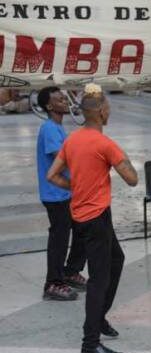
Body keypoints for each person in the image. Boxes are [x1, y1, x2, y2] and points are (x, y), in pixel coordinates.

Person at [46, 84, 138, 353]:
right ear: (100, 112)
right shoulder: (104, 144)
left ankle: (99, 319)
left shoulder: (72, 139)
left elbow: (53, 175)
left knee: (117, 260)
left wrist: (77, 189)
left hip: (84, 215)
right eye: (108, 107)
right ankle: (90, 343)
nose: (110, 111)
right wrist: (119, 159)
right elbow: (132, 179)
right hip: (96, 217)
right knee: (99, 279)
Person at [36, 86, 87, 301]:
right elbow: (61, 157)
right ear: (49, 106)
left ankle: (70, 271)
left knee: (82, 230)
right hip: (54, 194)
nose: (65, 102)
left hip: (66, 192)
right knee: (59, 238)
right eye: (59, 100)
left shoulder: (58, 128)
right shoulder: (49, 128)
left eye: (64, 99)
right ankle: (53, 283)